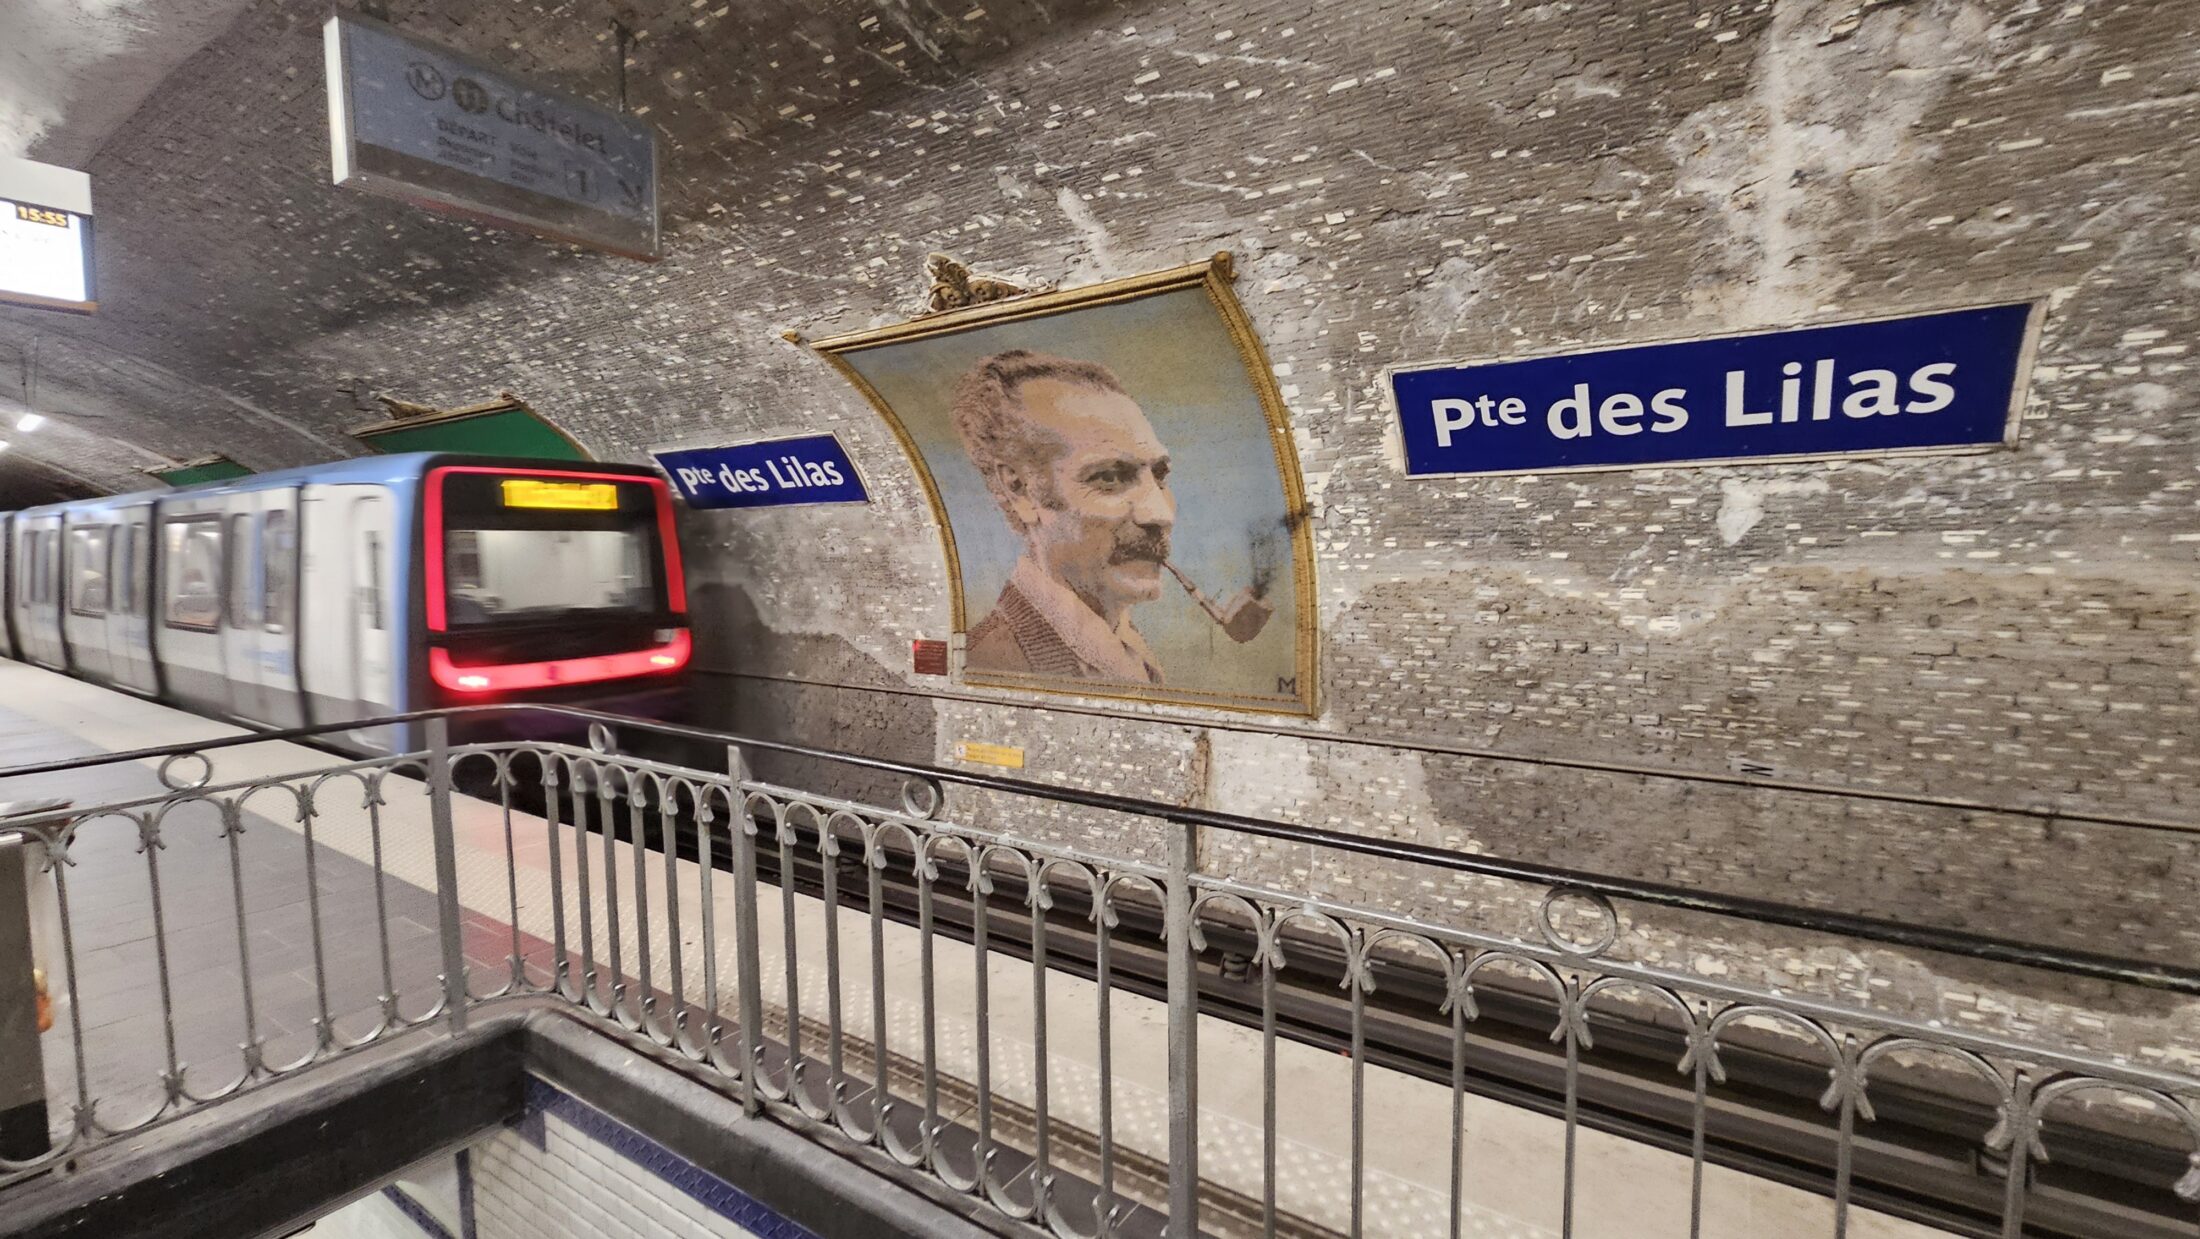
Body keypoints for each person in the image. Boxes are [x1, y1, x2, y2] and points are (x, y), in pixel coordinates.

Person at [952, 349, 1175, 683]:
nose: (1160, 514)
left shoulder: (1128, 646)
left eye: (1159, 475)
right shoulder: (988, 662)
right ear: (1020, 489)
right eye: (1110, 477)